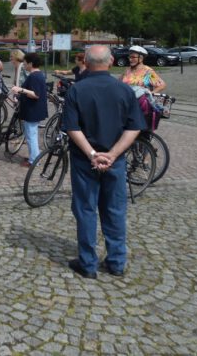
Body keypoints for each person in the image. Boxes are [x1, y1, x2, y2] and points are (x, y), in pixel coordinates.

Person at [61, 45, 147, 279]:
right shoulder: (125, 90)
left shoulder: (76, 90)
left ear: (86, 63)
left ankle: (88, 264)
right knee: (115, 211)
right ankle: (117, 262)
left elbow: (72, 128)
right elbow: (135, 127)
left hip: (84, 161)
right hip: (115, 163)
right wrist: (113, 154)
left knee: (86, 211)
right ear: (110, 62)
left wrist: (91, 154)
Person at [10, 53, 48, 167]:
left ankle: (34, 161)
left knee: (31, 136)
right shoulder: (38, 74)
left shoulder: (34, 76)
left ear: (31, 63)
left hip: (32, 110)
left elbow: (35, 94)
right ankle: (34, 157)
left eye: (25, 63)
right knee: (32, 135)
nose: (24, 65)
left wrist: (20, 90)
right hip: (34, 110)